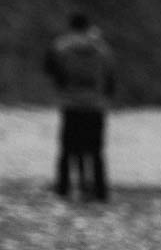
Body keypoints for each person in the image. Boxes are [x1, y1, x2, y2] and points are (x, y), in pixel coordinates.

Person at [44, 13, 115, 201]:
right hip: (96, 106)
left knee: (67, 150)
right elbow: (111, 80)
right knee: (96, 151)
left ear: (71, 26)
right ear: (88, 26)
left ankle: (63, 188)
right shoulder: (102, 48)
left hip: (71, 105)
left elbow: (50, 68)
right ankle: (100, 191)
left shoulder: (61, 46)